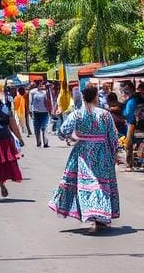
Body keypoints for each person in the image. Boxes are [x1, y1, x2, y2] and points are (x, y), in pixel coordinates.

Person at [49, 85, 120, 233]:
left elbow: (62, 132)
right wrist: (114, 154)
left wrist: (73, 138)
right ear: (95, 97)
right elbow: (113, 137)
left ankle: (93, 216)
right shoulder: (105, 115)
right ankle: (99, 217)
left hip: (82, 153)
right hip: (102, 152)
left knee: (87, 184)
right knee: (100, 183)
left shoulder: (77, 114)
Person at [29, 79, 53, 148]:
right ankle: (38, 142)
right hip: (36, 113)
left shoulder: (46, 92)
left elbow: (50, 101)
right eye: (38, 83)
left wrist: (51, 111)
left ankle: (45, 143)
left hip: (45, 113)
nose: (40, 84)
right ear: (36, 84)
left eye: (41, 83)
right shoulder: (32, 92)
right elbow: (30, 102)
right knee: (37, 128)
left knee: (44, 128)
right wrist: (30, 111)